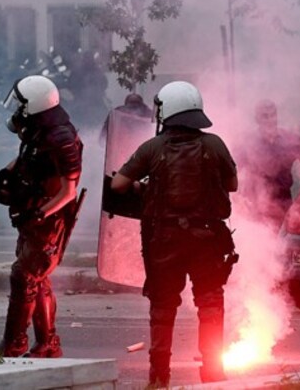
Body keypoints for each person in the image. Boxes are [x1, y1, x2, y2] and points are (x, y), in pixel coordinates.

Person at [110, 81, 238, 385]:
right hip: (207, 240)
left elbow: (118, 186)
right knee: (210, 305)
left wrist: (148, 186)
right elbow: (232, 185)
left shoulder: (152, 148)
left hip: (164, 241)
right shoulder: (214, 144)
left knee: (163, 309)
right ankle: (213, 375)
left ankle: (158, 379)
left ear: (166, 110)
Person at [0, 75, 84, 358]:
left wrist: (40, 214)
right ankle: (47, 344)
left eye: (21, 104)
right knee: (37, 278)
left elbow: (69, 191)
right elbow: (29, 156)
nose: (16, 110)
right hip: (34, 214)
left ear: (33, 105)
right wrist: (8, 174)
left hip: (50, 219)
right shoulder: (39, 129)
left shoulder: (62, 139)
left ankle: (14, 344)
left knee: (23, 276)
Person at [237, 99, 300, 229]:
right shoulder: (248, 143)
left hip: (284, 202)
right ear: (257, 119)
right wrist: (240, 200)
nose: (270, 120)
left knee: (286, 243)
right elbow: (235, 171)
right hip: (258, 206)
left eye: (273, 115)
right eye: (265, 116)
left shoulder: (288, 138)